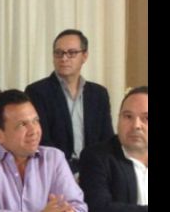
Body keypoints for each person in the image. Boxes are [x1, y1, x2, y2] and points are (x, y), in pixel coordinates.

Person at [0, 89, 88, 212]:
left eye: (35, 121)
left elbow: (79, 209)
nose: (34, 131)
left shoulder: (54, 158)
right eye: (22, 124)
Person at [25, 29, 113, 173]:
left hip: (94, 169)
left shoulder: (98, 94)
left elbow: (106, 139)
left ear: (84, 56)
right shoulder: (37, 92)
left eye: (71, 53)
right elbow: (41, 140)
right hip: (54, 169)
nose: (64, 58)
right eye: (58, 53)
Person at [79, 86, 148, 212]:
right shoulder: (96, 157)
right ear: (118, 119)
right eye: (128, 116)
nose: (136, 125)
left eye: (146, 118)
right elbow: (99, 209)